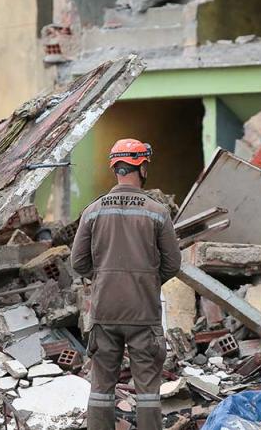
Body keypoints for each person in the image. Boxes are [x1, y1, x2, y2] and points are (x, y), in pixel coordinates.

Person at [71, 138, 181, 430]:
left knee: (100, 389)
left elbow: (78, 263)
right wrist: (146, 281)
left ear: (115, 168)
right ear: (142, 166)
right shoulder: (157, 211)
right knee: (147, 393)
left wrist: (104, 277)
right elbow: (173, 264)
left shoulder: (93, 211)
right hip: (143, 313)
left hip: (105, 312)